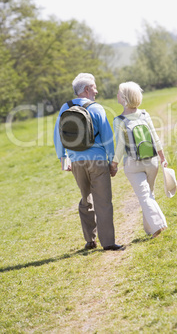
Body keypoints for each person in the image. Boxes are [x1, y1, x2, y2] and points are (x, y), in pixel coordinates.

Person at [54, 73, 123, 251]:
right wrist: (112, 162)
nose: (96, 90)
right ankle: (108, 243)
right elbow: (107, 136)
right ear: (86, 89)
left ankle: (90, 240)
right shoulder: (97, 108)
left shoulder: (64, 107)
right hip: (97, 160)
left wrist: (64, 160)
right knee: (103, 202)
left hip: (76, 161)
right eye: (94, 87)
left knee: (86, 199)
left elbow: (58, 136)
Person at [110, 81, 168, 238]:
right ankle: (150, 229)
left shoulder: (119, 120)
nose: (116, 95)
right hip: (152, 161)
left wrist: (114, 164)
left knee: (144, 196)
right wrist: (162, 158)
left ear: (123, 98)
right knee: (149, 194)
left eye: (118, 93)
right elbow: (154, 137)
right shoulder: (144, 114)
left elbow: (121, 146)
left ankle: (158, 225)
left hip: (133, 163)